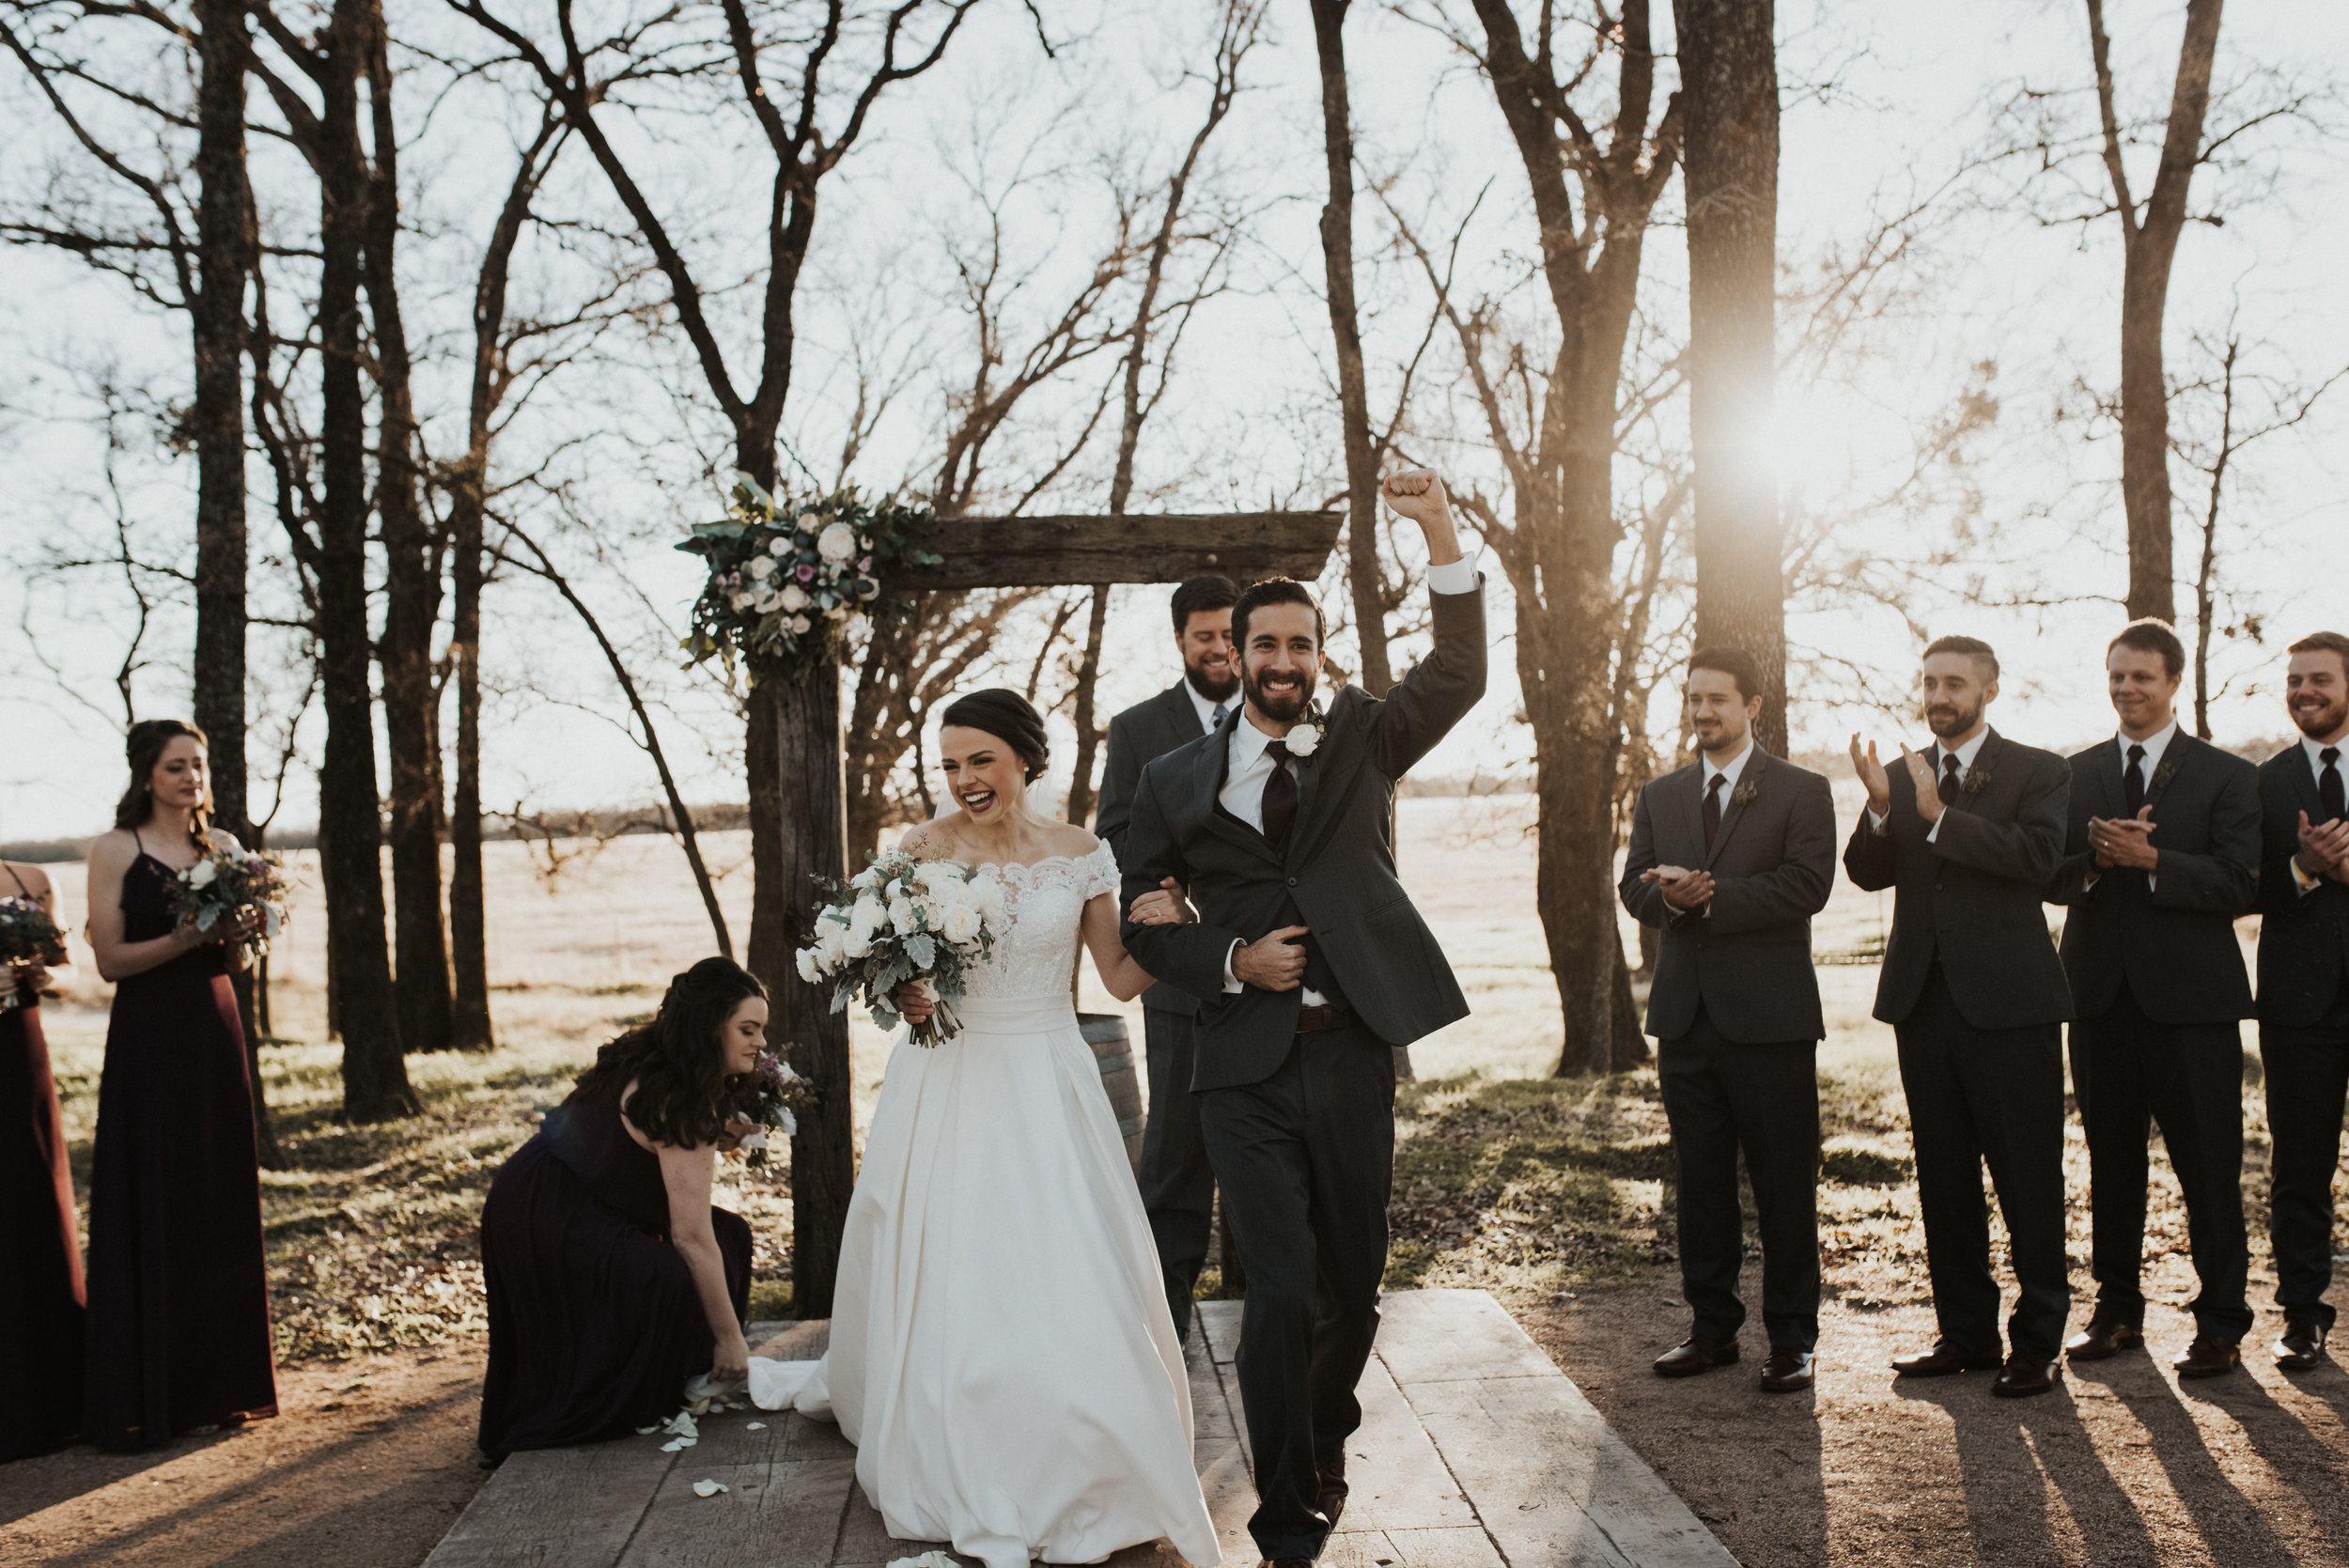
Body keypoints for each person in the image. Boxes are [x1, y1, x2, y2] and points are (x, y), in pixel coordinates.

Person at [754, 689, 1221, 1568]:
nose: (965, 780)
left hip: (1048, 1076)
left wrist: (1179, 928)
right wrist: (905, 990)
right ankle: (964, 1432)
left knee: (1067, 1261)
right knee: (962, 1261)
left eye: (981, 760)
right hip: (951, 1079)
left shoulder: (1083, 853)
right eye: (951, 764)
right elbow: (890, 975)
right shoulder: (922, 851)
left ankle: (1091, 1448)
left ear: (1023, 759)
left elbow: (1118, 977)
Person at [1117, 468, 1485, 1568]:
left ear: (1318, 655)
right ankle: (1285, 1511)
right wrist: (1227, 956)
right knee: (1274, 1290)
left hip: (1354, 1051)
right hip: (1239, 1065)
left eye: (1300, 645)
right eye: (1262, 643)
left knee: (1349, 1286)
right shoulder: (1175, 775)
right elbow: (1142, 922)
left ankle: (1324, 1429)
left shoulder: (1365, 735)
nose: (1281, 661)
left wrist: (1434, 527)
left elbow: (1459, 668)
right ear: (1233, 648)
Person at [1844, 636, 2075, 1398]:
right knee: (1944, 1176)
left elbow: (2040, 860)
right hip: (1924, 1003)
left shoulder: (2040, 770)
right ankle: (1966, 1332)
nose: (1939, 695)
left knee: (2027, 1176)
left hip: (2012, 1007)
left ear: (1990, 690)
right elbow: (1869, 873)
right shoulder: (1905, 770)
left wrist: (1940, 817)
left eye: (1954, 683)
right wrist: (1881, 808)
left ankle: (2038, 1341)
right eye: (1930, 681)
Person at [2046, 619, 2259, 1378]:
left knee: (2208, 1163)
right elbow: (2048, 873)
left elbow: (2243, 880)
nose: (2127, 688)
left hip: (2194, 1006)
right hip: (2098, 997)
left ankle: (2222, 1320)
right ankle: (2117, 1311)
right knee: (2112, 1162)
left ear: (2172, 682)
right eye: (2117, 675)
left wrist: (2155, 859)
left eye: (2142, 676)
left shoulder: (2229, 775)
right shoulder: (2073, 774)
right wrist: (2098, 866)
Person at [1620, 646, 1835, 1393]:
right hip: (1683, 1019)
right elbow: (1633, 883)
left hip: (1771, 1021)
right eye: (1693, 698)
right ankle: (1711, 1329)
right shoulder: (1661, 793)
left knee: (1783, 1185)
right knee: (1700, 1183)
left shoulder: (1802, 790)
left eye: (1717, 698)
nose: (1702, 710)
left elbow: (1808, 885)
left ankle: (1791, 1337)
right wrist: (1664, 902)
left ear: (1753, 705)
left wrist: (1709, 898)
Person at [82, 719, 278, 1450]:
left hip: (214, 1028)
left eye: (198, 764)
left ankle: (223, 1385)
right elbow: (108, 960)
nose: (191, 777)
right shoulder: (114, 850)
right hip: (148, 1035)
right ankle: (151, 1395)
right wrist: (186, 938)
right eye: (176, 767)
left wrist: (243, 934)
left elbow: (237, 965)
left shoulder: (222, 846)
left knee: (214, 1190)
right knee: (158, 1190)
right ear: (146, 776)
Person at [477, 956, 762, 1457]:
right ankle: (637, 1390)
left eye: (761, 1030)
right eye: (748, 1029)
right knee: (669, 1272)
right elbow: (689, 1237)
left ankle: (683, 1376)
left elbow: (633, 1147)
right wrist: (730, 1337)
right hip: (547, 1215)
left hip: (547, 1190)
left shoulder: (655, 1054)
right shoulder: (678, 1098)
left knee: (732, 1236)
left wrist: (722, 1131)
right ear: (711, 1028)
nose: (761, 1043)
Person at [1097, 572, 1241, 1340]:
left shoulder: (1285, 713)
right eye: (1204, 636)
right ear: (1181, 640)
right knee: (1177, 1161)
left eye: (1228, 633)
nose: (1219, 648)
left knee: (1264, 1164)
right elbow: (1115, 835)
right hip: (1179, 977)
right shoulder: (1138, 727)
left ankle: (1264, 1331)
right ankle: (1164, 1336)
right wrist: (1170, 888)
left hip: (1272, 974)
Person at [2254, 629, 2349, 1372]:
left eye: (2318, 678)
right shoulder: (2266, 781)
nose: (2304, 691)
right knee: (2300, 1167)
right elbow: (2243, 883)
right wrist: (2302, 867)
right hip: (2299, 1006)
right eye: (2294, 680)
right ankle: (2303, 1314)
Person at [3, 855, 84, 1460]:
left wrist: (36, 974)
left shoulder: (30, 878)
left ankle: (62, 1401)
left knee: (37, 1200)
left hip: (17, 1048)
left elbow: (70, 974)